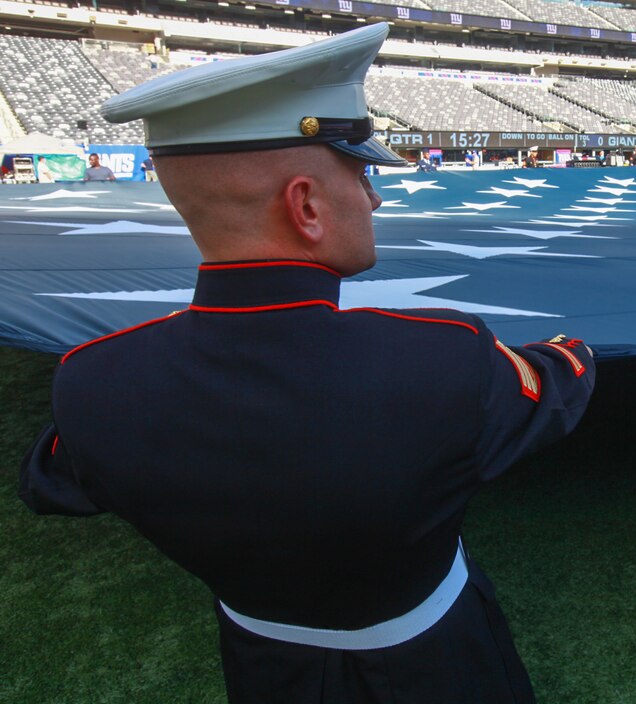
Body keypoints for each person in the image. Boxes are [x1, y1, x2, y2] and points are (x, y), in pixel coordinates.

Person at [19, 23, 595, 704]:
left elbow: (51, 483)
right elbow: (561, 383)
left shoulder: (93, 383)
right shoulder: (442, 358)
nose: (374, 198)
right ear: (307, 204)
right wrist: (572, 347)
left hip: (263, 672)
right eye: (361, 172)